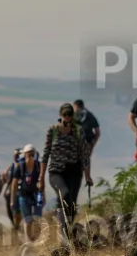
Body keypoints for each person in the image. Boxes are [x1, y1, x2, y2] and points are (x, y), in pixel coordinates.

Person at [40, 103, 93, 244]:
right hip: (56, 172)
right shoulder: (52, 131)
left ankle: (68, 231)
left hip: (74, 172)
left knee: (71, 205)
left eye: (70, 114)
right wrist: (41, 178)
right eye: (65, 115)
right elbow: (45, 155)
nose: (68, 117)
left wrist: (88, 176)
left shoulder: (78, 131)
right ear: (60, 115)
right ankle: (64, 235)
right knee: (64, 195)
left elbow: (84, 155)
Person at [10, 144, 43, 242]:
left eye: (32, 154)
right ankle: (28, 240)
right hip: (23, 194)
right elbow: (14, 184)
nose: (31, 156)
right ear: (25, 155)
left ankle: (37, 238)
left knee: (38, 217)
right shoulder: (20, 167)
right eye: (29, 154)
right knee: (27, 219)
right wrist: (12, 200)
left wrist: (43, 195)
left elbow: (41, 182)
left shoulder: (38, 166)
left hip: (38, 194)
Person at [2, 148, 23, 231]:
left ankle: (19, 228)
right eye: (15, 155)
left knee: (19, 213)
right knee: (12, 212)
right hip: (11, 192)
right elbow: (4, 177)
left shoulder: (24, 166)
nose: (17, 157)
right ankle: (15, 228)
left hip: (21, 192)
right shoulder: (11, 166)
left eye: (18, 155)